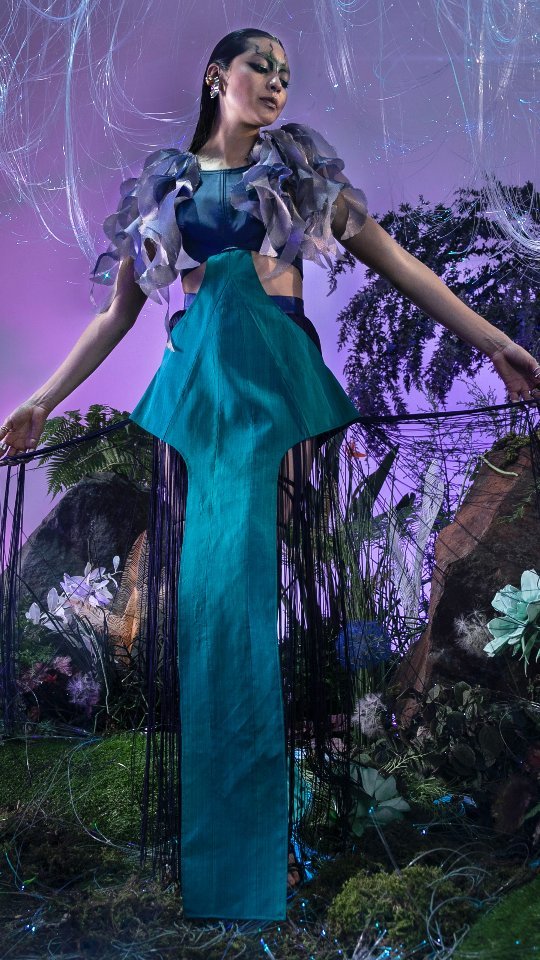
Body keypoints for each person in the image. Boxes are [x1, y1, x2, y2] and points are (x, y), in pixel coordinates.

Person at [1, 27, 539, 923]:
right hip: (197, 391)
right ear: (218, 75)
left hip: (273, 385)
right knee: (208, 606)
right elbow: (116, 315)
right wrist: (42, 401)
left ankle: (254, 858)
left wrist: (496, 342)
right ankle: (222, 863)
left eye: (288, 73)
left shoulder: (297, 173)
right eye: (262, 66)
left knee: (247, 602)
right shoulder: (167, 185)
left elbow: (400, 263)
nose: (278, 83)